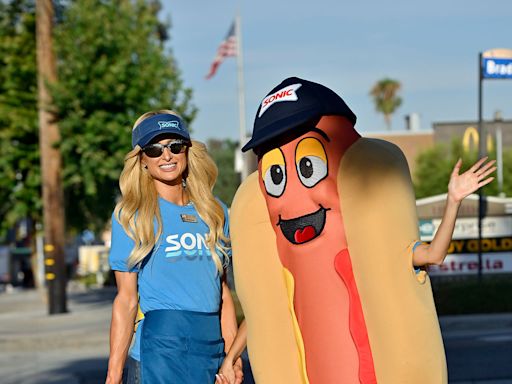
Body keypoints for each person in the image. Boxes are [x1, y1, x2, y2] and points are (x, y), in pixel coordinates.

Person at [228, 77, 496, 383]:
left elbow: (433, 254)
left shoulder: (376, 243)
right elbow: (262, 316)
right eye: (276, 174)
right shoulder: (274, 250)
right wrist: (231, 357)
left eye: (308, 168)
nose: (295, 196)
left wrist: (454, 200)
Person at [105, 110, 241, 384]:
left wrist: (232, 359)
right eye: (154, 149)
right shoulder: (131, 216)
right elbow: (126, 300)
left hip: (211, 348)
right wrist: (113, 374)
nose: (166, 156)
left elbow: (223, 295)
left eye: (175, 146)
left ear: (187, 151)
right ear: (142, 160)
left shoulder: (216, 213)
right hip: (159, 352)